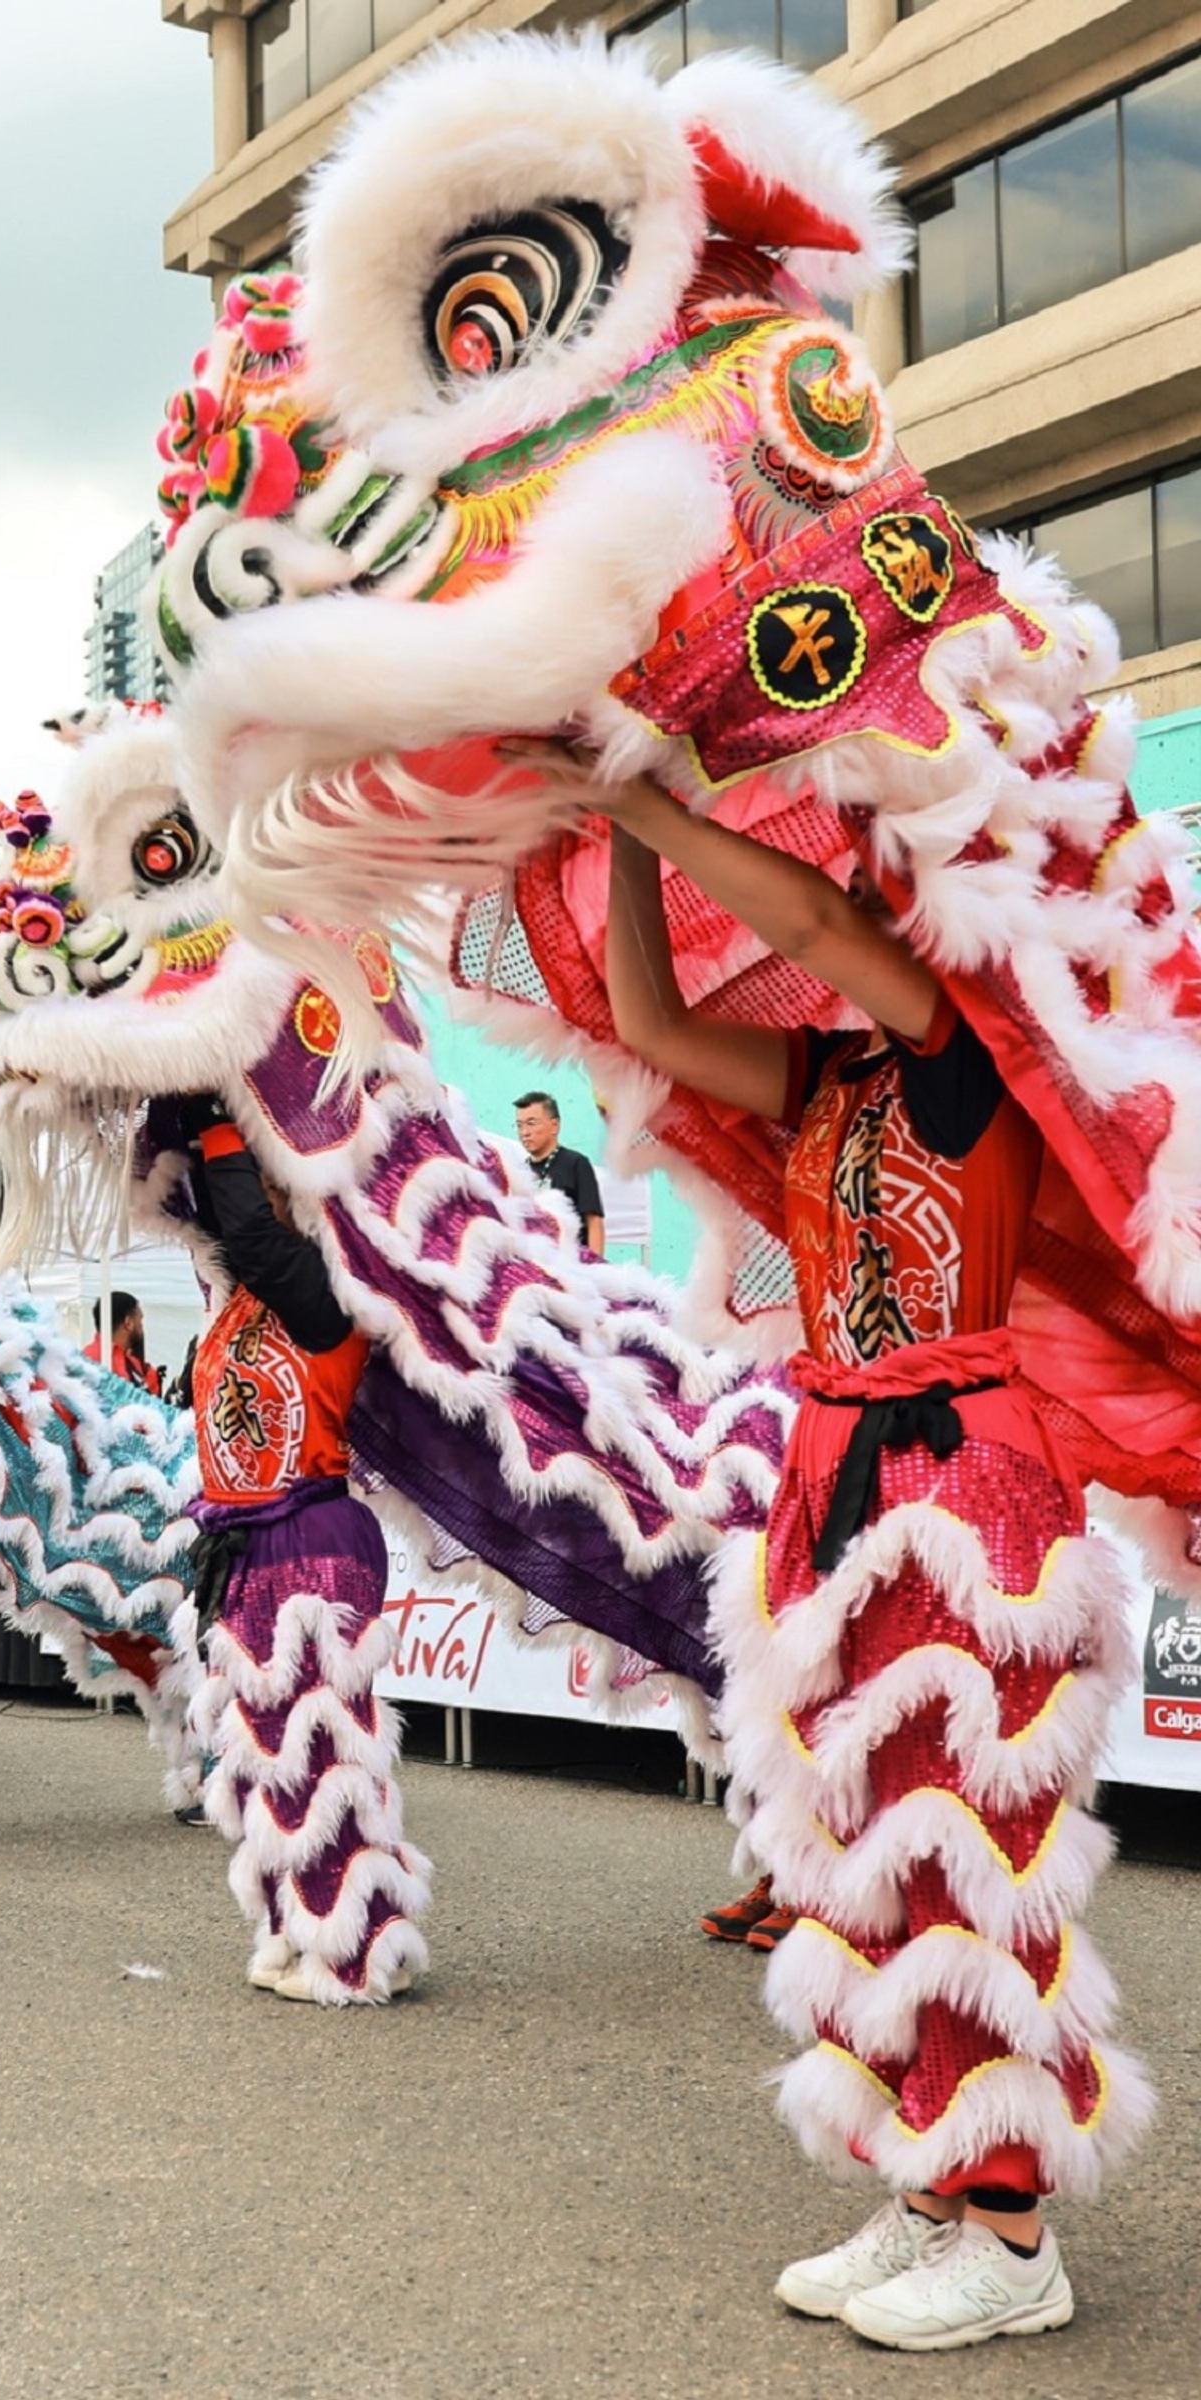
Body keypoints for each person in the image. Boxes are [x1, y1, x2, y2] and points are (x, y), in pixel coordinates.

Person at [509, 745, 1140, 2351]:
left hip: (964, 1482)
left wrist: (652, 801)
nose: (828, 909)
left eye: (865, 878)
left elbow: (811, 916)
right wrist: (619, 845)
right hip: (834, 1472)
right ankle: (932, 2181)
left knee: (964, 1845)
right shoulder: (831, 1081)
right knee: (864, 1848)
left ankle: (1010, 2240)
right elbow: (648, 1030)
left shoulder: (959, 1042)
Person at [181, 1097, 429, 2004]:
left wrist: (215, 1116)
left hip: (313, 1548)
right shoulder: (240, 1296)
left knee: (322, 1756)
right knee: (261, 1755)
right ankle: (293, 1923)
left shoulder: (329, 1295)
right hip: (248, 1547)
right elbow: (221, 1223)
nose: (258, 1195)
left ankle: (354, 1952)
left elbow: (244, 1226)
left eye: (278, 1178)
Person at [512, 1092, 605, 1251]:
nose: (524, 1132)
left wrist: (596, 1269)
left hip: (572, 1263)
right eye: (520, 1125)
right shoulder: (519, 1172)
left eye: (531, 1123)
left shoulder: (576, 1164)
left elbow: (594, 1221)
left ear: (555, 1125)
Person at [84, 1291, 162, 1395]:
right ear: (128, 1323)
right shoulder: (90, 1361)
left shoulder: (133, 1363)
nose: (142, 1327)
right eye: (140, 1319)